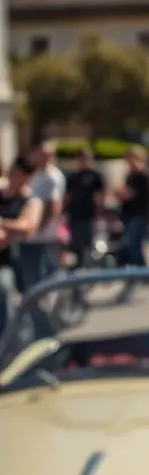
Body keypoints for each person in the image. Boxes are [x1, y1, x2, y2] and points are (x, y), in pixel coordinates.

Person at [0, 157, 44, 333]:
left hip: (14, 261)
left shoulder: (31, 201)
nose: (15, 178)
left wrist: (3, 224)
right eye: (13, 173)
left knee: (4, 289)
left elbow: (28, 227)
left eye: (20, 175)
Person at [20, 143, 66, 293]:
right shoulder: (36, 174)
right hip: (32, 232)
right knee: (47, 268)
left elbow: (53, 205)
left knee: (37, 275)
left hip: (41, 235)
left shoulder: (52, 177)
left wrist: (39, 228)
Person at [63, 147, 106, 270]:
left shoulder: (95, 176)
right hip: (74, 214)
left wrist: (100, 212)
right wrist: (64, 211)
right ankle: (78, 265)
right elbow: (67, 195)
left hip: (88, 214)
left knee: (88, 243)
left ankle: (89, 266)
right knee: (75, 242)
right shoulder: (73, 177)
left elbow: (101, 195)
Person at [116, 148, 149, 269]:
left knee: (134, 243)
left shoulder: (143, 176)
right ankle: (137, 270)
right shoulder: (130, 176)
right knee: (130, 243)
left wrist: (121, 193)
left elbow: (129, 194)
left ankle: (143, 270)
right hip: (128, 214)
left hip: (139, 214)